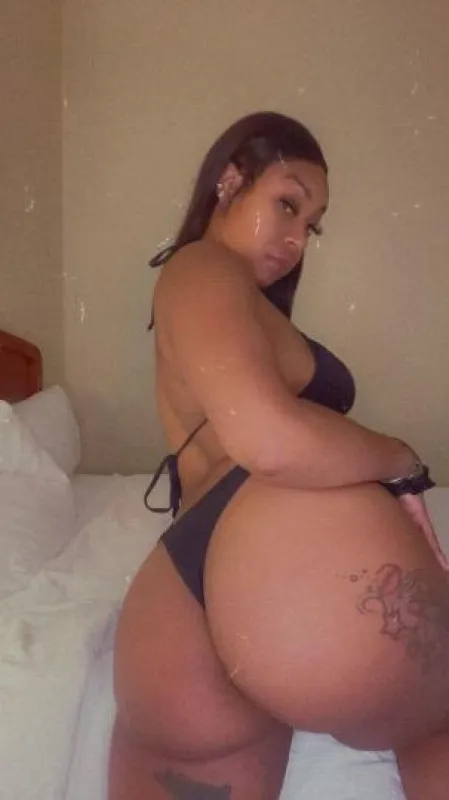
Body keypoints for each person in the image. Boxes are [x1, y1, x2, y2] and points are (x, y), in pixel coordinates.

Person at [108, 111, 449, 800]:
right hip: (275, 571)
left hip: (185, 599)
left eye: (311, 225)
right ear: (229, 180)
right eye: (287, 204)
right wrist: (398, 460)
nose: (297, 239)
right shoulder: (201, 267)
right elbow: (268, 439)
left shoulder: (223, 295)